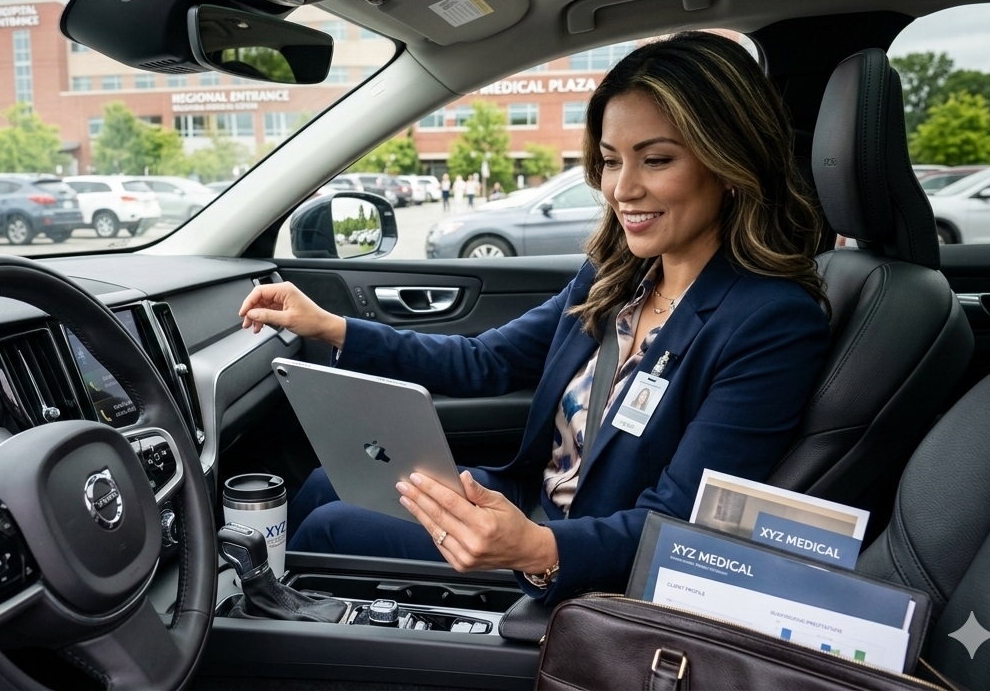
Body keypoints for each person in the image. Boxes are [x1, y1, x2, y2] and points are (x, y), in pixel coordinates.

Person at [238, 31, 830, 605]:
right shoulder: (615, 277)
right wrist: (331, 326)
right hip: (532, 502)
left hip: (584, 560)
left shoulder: (771, 322)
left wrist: (536, 548)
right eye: (609, 161)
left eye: (656, 160)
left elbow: (679, 527)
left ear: (728, 164)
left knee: (329, 529)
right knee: (321, 484)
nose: (622, 189)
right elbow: (488, 360)